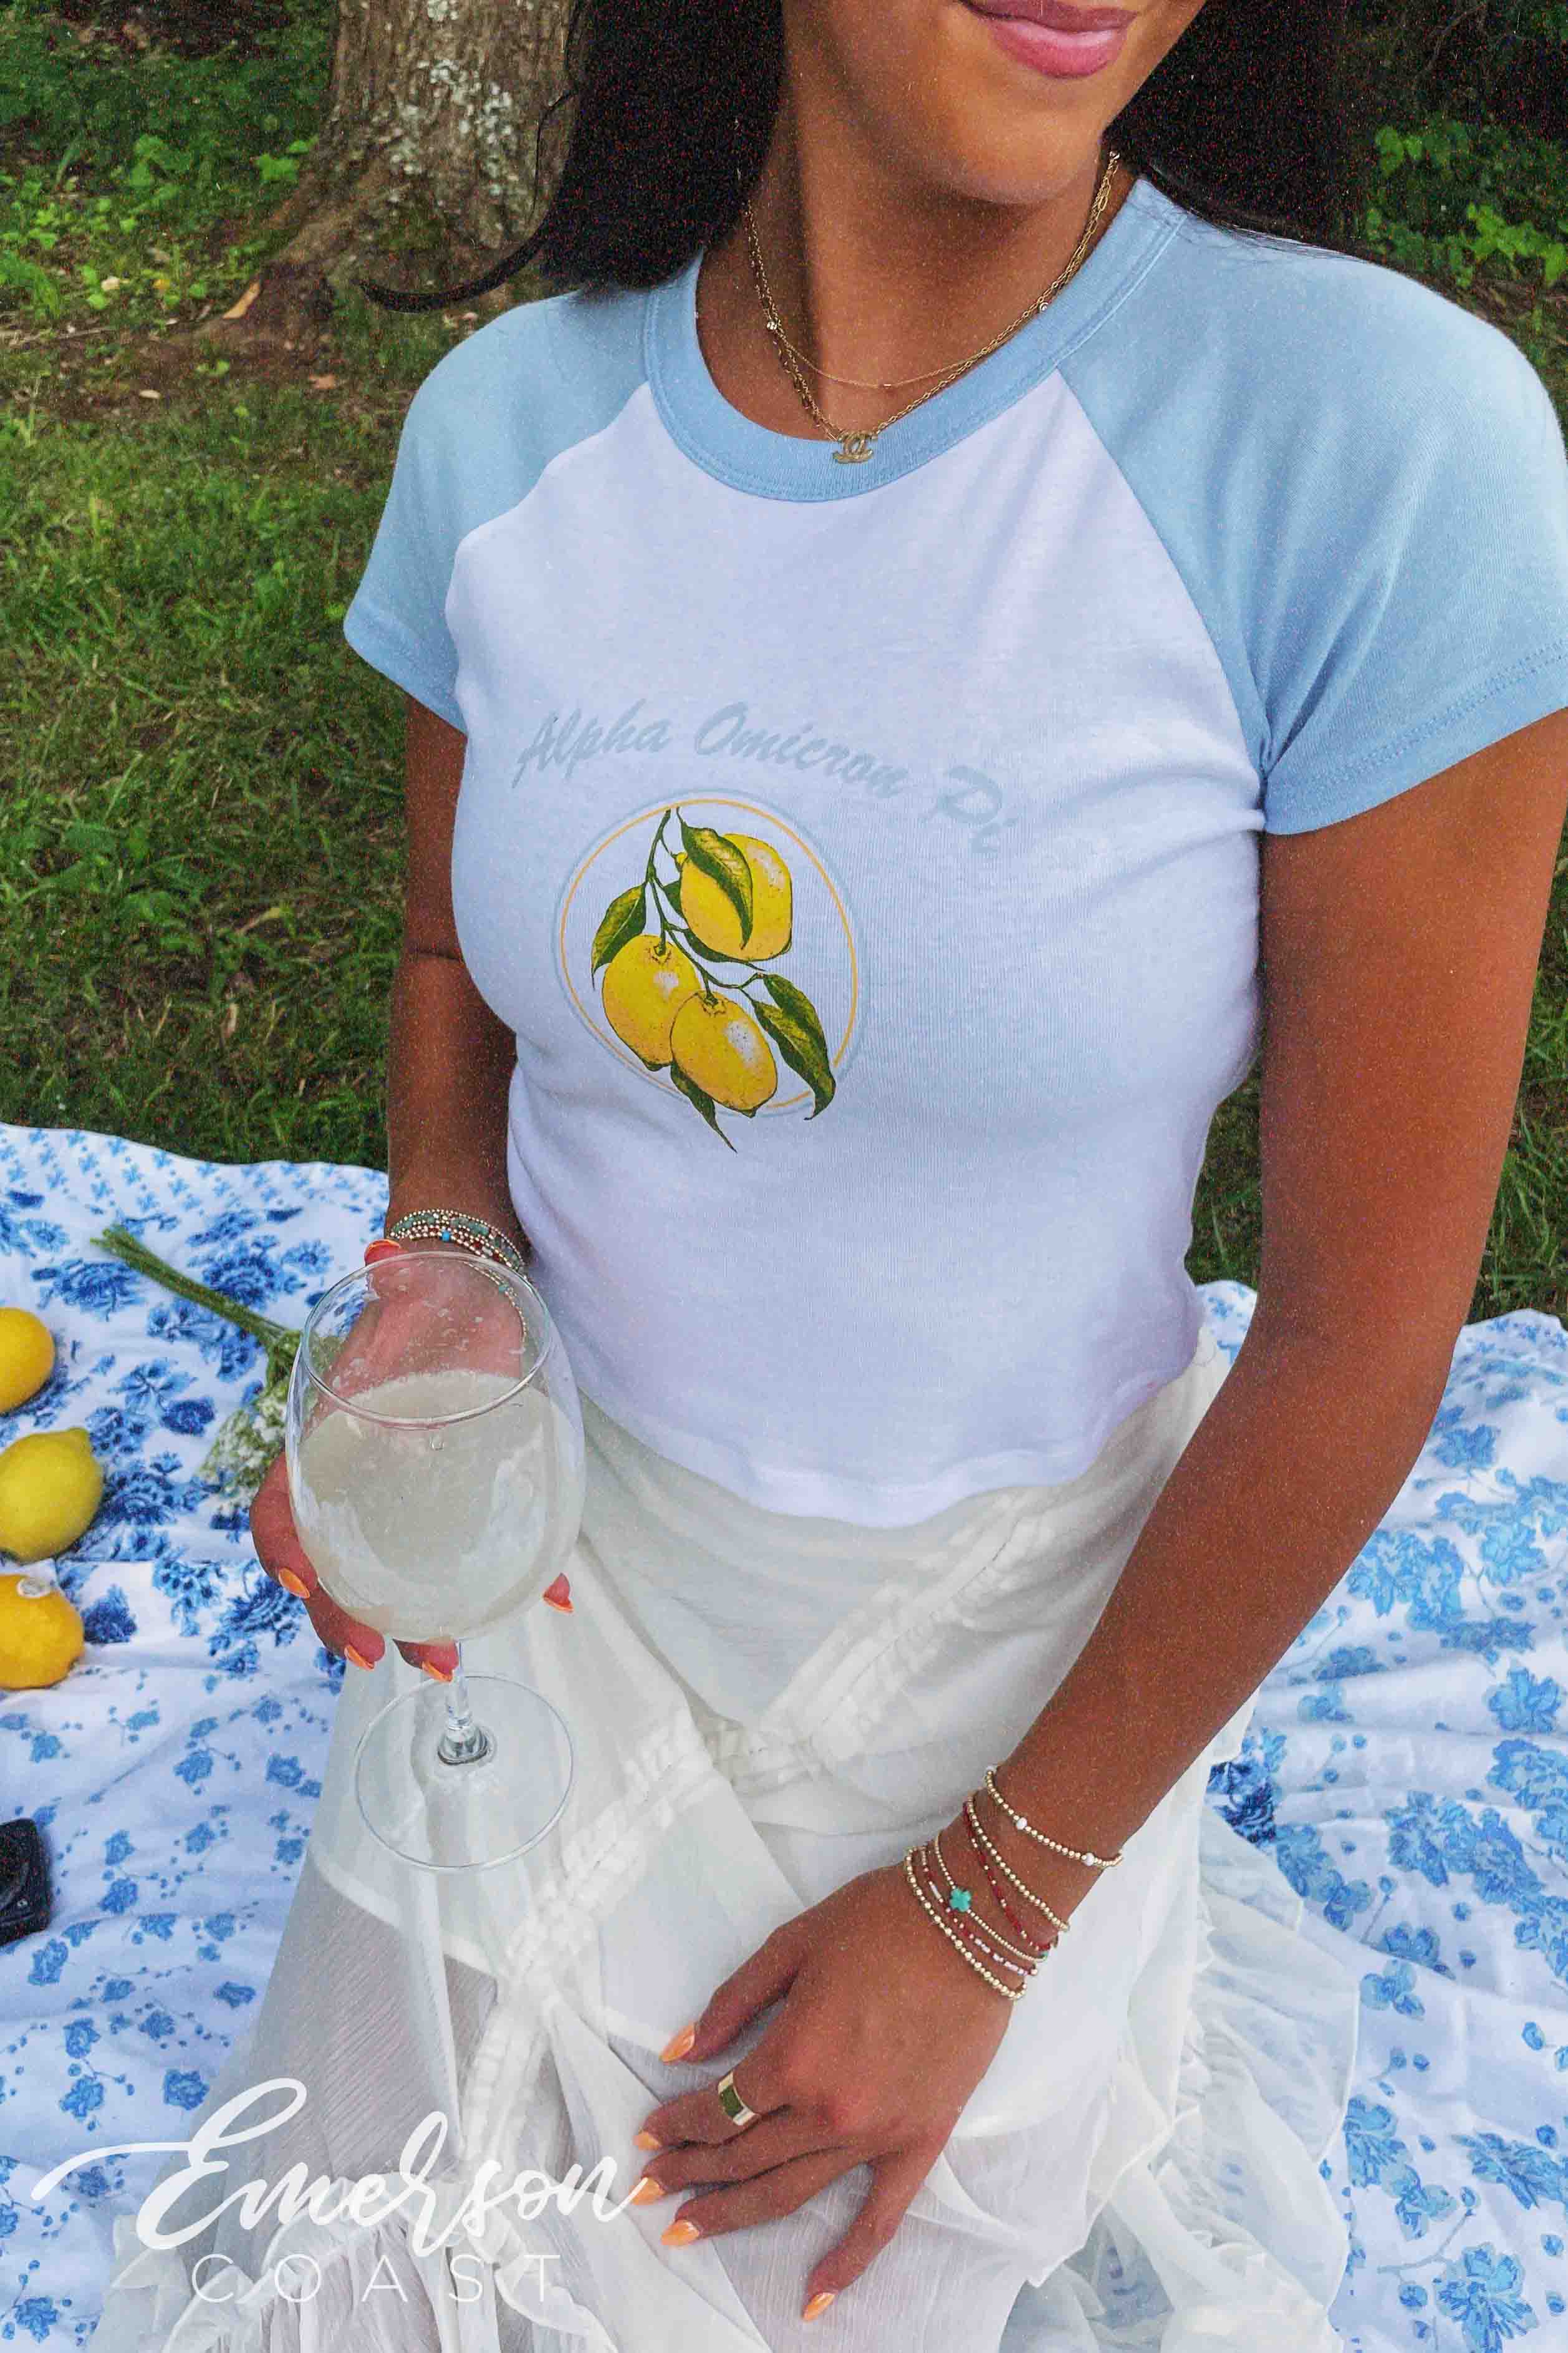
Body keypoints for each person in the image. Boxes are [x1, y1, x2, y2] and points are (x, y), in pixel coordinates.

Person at [93, 2, 1568, 2347]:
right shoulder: (511, 428)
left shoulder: (1377, 449)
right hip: (546, 1588)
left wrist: (990, 1910)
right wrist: (446, 1268)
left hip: (1008, 1656)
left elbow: (1359, 1327)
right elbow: (450, 959)